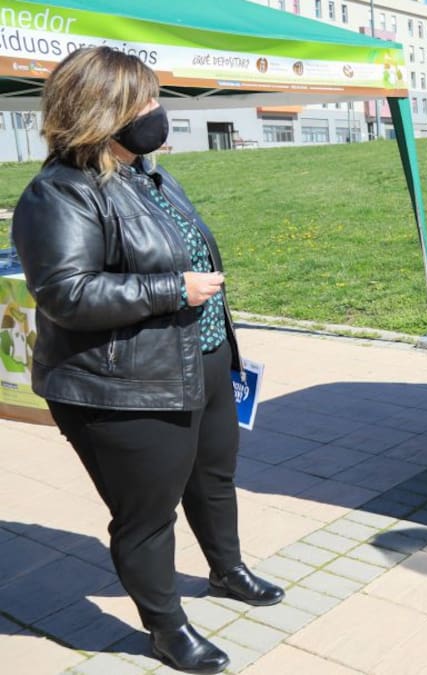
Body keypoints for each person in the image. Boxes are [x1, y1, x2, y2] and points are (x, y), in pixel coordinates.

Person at [12, 47, 283, 674]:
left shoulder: (148, 174)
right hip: (125, 383)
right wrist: (172, 290)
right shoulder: (58, 193)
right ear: (101, 110)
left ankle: (226, 569)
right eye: (148, 101)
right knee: (146, 515)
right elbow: (65, 294)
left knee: (213, 479)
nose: (158, 112)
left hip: (202, 356)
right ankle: (167, 628)